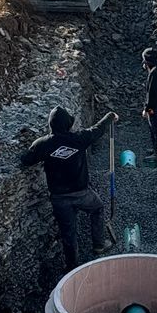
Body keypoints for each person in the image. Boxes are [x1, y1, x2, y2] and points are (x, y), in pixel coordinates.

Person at [21, 106, 117, 269]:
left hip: (59, 198)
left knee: (68, 232)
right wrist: (109, 116)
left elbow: (26, 160)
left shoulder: (43, 144)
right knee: (98, 208)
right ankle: (99, 245)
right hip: (82, 193)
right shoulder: (79, 139)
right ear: (68, 124)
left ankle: (72, 267)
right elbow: (97, 130)